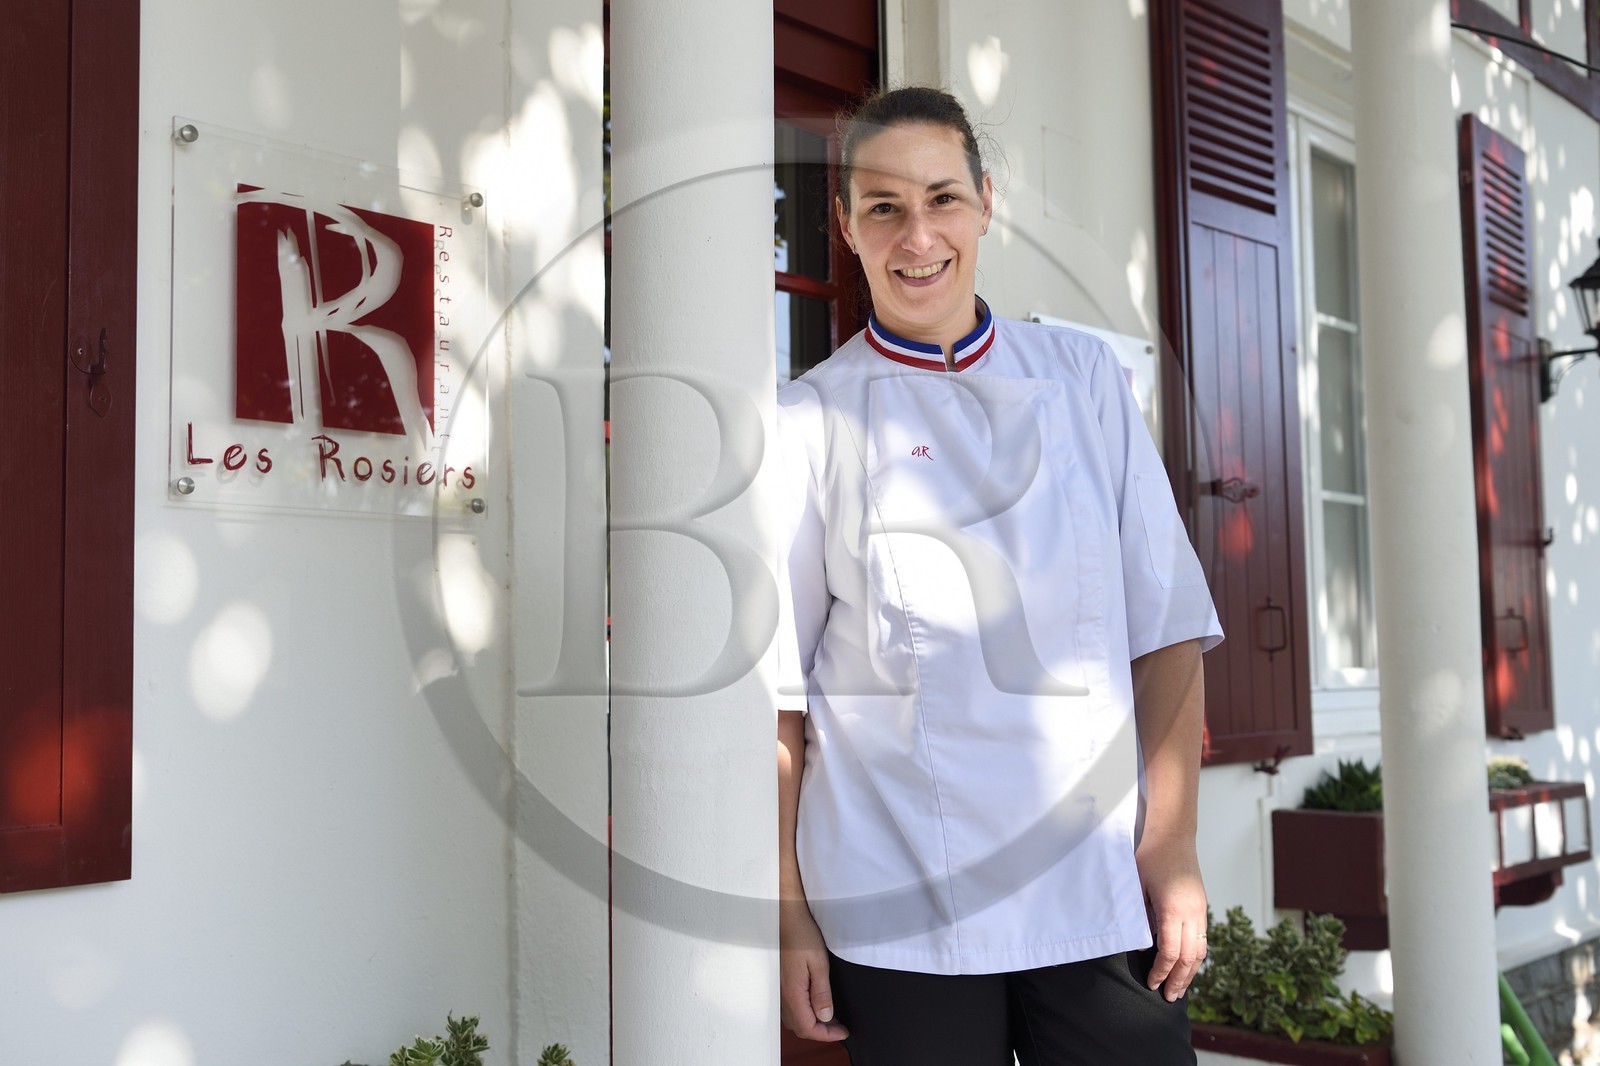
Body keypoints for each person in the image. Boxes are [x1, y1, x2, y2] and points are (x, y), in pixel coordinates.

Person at [774, 86, 1224, 1066]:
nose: (917, 236)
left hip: (1096, 881)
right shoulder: (806, 423)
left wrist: (1171, 847)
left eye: (942, 198)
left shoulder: (1085, 383)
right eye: (883, 207)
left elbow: (1167, 628)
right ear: (845, 224)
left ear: (985, 200)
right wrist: (790, 911)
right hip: (899, 893)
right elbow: (777, 698)